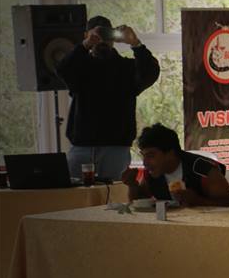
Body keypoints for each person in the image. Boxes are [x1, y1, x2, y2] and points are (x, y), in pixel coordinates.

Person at [57, 15, 160, 180]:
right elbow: (62, 69)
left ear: (113, 38)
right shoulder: (80, 68)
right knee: (75, 192)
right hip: (82, 145)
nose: (102, 40)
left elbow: (150, 73)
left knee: (114, 194)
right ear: (86, 36)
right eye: (96, 36)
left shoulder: (126, 68)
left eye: (106, 35)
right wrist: (85, 45)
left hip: (116, 147)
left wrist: (135, 44)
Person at [122, 123, 229, 207]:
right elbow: (140, 202)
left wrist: (198, 200)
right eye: (143, 156)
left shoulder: (203, 169)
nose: (145, 162)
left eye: (151, 155)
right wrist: (132, 185)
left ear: (170, 153)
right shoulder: (152, 172)